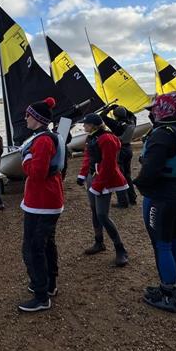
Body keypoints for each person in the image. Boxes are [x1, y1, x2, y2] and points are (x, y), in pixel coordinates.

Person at [133, 94, 176, 313]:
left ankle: (168, 294)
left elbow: (150, 171)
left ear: (163, 110)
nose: (152, 113)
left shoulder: (163, 134)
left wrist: (139, 184)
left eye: (155, 109)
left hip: (162, 197)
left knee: (163, 245)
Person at [18, 97, 65, 313]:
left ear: (37, 118)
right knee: (46, 245)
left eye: (28, 115)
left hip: (42, 202)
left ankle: (41, 296)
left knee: (33, 248)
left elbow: (36, 174)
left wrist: (26, 157)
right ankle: (49, 285)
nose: (25, 118)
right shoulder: (51, 137)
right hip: (48, 199)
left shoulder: (43, 141)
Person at [75, 114, 129, 267]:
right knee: (94, 210)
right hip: (93, 177)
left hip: (104, 179)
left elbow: (109, 165)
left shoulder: (107, 138)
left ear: (93, 125)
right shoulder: (91, 137)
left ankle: (120, 249)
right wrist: (82, 175)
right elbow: (88, 157)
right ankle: (99, 242)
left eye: (85, 124)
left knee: (102, 215)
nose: (83, 126)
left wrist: (98, 186)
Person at [102, 105, 138, 207]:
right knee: (127, 175)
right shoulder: (132, 121)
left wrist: (110, 108)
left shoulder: (116, 124)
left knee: (119, 176)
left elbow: (102, 116)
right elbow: (132, 114)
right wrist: (123, 108)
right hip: (129, 149)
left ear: (115, 116)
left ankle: (123, 201)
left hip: (119, 150)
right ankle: (132, 198)